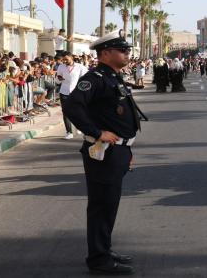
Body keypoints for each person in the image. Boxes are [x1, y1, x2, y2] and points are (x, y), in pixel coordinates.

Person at [63, 35, 143, 276]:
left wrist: (127, 149)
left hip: (117, 151)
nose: (127, 54)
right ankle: (98, 258)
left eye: (127, 50)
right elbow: (72, 106)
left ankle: (104, 249)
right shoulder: (94, 79)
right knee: (102, 206)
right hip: (104, 153)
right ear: (105, 53)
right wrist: (96, 132)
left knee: (109, 205)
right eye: (122, 50)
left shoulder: (112, 77)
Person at [56, 52, 89, 139]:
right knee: (66, 112)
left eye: (66, 59)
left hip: (76, 92)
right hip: (64, 91)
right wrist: (59, 79)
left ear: (71, 58)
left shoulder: (80, 67)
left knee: (78, 111)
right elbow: (57, 80)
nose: (65, 61)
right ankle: (69, 132)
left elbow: (86, 77)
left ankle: (80, 127)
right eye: (63, 59)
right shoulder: (61, 66)